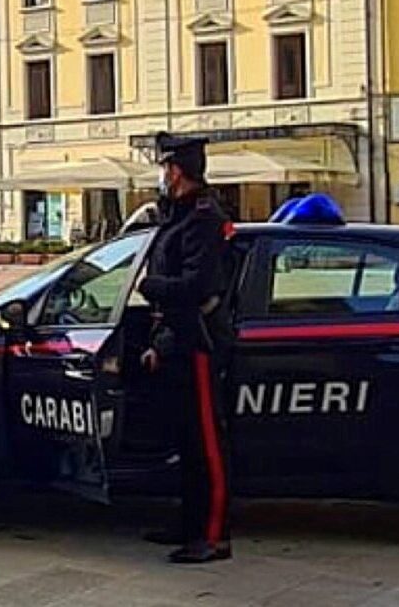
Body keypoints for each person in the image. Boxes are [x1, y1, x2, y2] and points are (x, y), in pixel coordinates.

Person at [136, 132, 235, 564]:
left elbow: (196, 286)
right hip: (179, 337)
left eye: (164, 168)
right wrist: (161, 341)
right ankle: (189, 521)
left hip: (199, 341)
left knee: (207, 445)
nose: (162, 175)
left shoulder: (202, 218)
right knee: (187, 442)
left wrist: (151, 286)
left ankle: (213, 536)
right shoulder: (178, 216)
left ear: (176, 171)